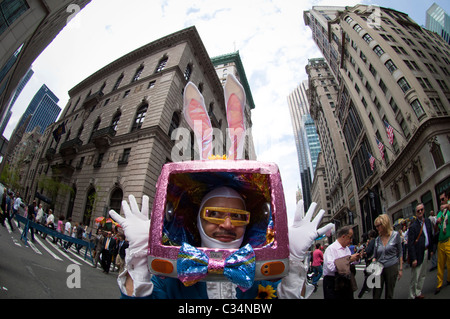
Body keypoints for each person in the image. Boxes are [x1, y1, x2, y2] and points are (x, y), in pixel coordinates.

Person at [109, 189, 333, 299]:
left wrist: (293, 260)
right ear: (197, 221)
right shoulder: (168, 278)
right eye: (214, 214)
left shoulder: (265, 276)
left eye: (237, 216)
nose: (227, 224)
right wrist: (139, 260)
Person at [322, 225, 362, 299]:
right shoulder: (331, 249)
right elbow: (330, 267)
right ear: (343, 236)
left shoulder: (346, 249)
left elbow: (348, 264)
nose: (351, 240)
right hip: (333, 282)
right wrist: (348, 259)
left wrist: (356, 259)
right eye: (350, 237)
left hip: (346, 281)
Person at [372, 214, 402, 299]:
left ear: (384, 224)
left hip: (391, 266)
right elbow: (375, 255)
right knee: (376, 294)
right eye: (376, 226)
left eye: (378, 226)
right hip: (379, 268)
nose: (377, 228)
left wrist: (400, 269)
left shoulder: (395, 235)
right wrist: (373, 261)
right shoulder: (377, 239)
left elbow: (400, 252)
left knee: (389, 293)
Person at [407, 203, 434, 299]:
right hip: (417, 253)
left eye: (421, 209)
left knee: (422, 274)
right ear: (415, 213)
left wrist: (431, 250)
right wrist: (413, 258)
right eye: (418, 211)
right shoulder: (413, 226)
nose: (420, 212)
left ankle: (418, 292)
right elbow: (410, 244)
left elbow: (430, 236)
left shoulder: (427, 221)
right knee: (415, 276)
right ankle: (412, 295)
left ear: (424, 210)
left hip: (426, 251)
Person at [434, 190, 450, 295]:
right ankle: (439, 284)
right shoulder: (439, 213)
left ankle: (449, 279)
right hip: (440, 242)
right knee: (440, 264)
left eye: (443, 199)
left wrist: (447, 206)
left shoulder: (448, 210)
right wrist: (437, 222)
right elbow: (435, 229)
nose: (441, 202)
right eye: (440, 200)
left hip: (448, 240)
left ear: (447, 198)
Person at [358, 229, 377, 298]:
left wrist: (364, 252)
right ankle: (374, 285)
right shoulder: (375, 240)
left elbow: (368, 250)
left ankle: (367, 287)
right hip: (374, 259)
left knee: (368, 273)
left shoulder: (372, 241)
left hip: (370, 259)